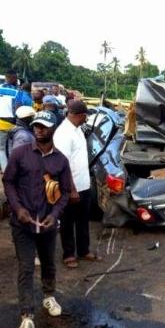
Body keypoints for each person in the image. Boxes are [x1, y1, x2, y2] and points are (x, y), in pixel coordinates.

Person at [3, 111, 73, 328]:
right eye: (36, 126)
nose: (39, 129)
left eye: (44, 126)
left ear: (53, 129)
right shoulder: (20, 154)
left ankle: (49, 296)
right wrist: (18, 208)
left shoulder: (60, 160)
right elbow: (8, 182)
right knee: (25, 267)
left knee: (48, 262)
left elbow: (65, 193)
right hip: (22, 223)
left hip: (47, 222)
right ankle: (26, 316)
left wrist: (55, 214)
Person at [54, 100, 101, 269]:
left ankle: (83, 250)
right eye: (85, 116)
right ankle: (68, 254)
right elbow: (63, 164)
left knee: (82, 220)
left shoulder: (77, 129)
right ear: (80, 115)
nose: (86, 119)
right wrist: (72, 189)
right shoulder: (63, 133)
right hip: (70, 187)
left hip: (84, 185)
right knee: (67, 222)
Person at [0, 70, 32, 171]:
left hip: (0, 124)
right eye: (15, 78)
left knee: (0, 149)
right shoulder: (18, 91)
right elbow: (18, 108)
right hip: (13, 124)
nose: (16, 80)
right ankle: (14, 170)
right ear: (12, 78)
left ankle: (5, 171)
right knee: (12, 148)